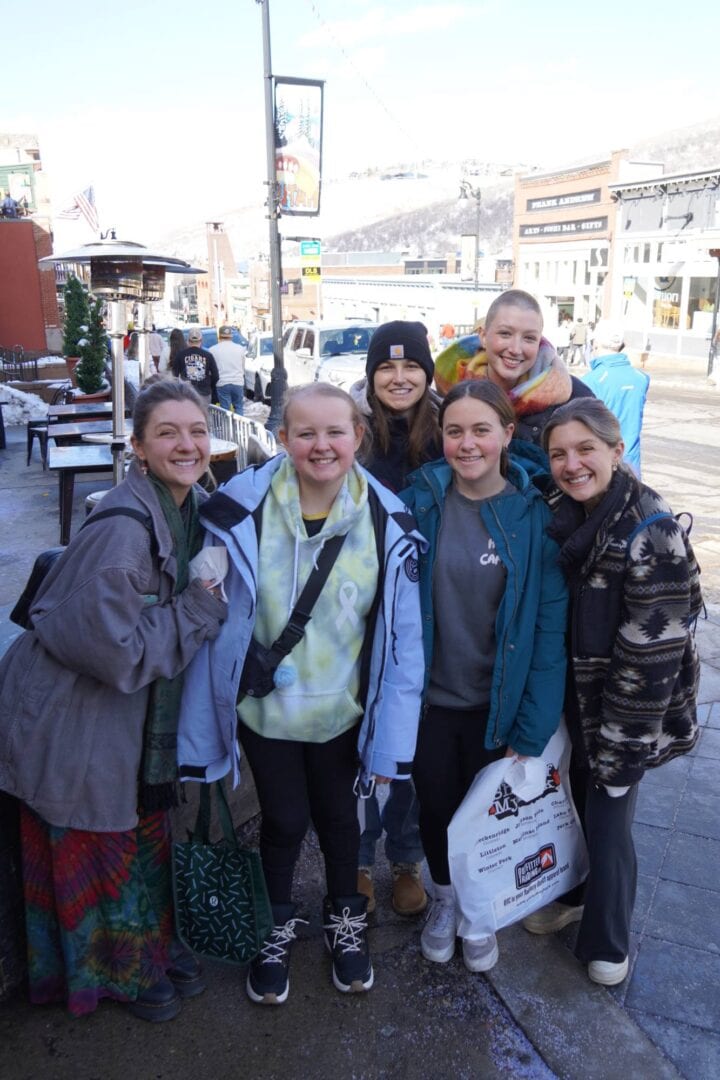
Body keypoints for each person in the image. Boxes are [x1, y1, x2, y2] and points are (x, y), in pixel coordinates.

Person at [177, 383, 425, 1005]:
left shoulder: (386, 521)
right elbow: (215, 616)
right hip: (267, 710)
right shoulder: (242, 510)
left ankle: (346, 923)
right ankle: (275, 922)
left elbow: (402, 644)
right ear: (281, 438)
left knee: (343, 820)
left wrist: (393, 743)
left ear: (357, 438)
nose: (322, 445)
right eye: (305, 432)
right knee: (285, 820)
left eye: (335, 432)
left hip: (346, 709)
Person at [0, 380, 228, 1020]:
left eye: (197, 431)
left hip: (118, 716)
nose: (186, 445)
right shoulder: (123, 534)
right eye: (167, 433)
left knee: (139, 833)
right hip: (70, 710)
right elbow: (117, 652)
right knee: (99, 839)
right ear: (138, 445)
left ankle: (150, 945)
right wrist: (198, 609)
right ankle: (114, 971)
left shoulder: (185, 503)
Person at [523, 399, 702, 987]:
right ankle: (573, 893)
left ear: (616, 451)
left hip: (629, 708)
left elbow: (652, 658)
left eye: (585, 450)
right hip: (574, 692)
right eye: (559, 454)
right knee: (572, 801)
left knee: (608, 813)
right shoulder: (561, 507)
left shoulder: (653, 530)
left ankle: (608, 939)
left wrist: (621, 750)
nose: (572, 464)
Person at [401, 379, 568, 973]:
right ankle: (445, 902)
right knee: (438, 811)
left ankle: (480, 911)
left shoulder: (531, 518)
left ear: (505, 434)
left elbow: (549, 635)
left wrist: (532, 729)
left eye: (480, 430)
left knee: (490, 819)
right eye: (454, 431)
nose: (466, 443)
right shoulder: (418, 501)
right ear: (440, 437)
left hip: (495, 707)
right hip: (428, 705)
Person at [350, 320, 442, 917]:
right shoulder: (354, 434)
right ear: (372, 374)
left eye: (412, 368)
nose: (400, 377)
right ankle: (355, 856)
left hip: (430, 611)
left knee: (412, 737)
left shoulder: (447, 430)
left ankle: (406, 859)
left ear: (428, 374)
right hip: (358, 610)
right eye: (388, 367)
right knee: (356, 737)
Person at [434, 289, 594, 455]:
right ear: (483, 336)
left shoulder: (575, 398)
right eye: (505, 334)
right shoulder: (449, 390)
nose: (516, 349)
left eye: (529, 338)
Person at [581, 320, 650, 476]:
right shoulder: (641, 378)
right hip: (632, 463)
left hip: (603, 465)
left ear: (596, 342)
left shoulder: (591, 381)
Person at [171, 328, 218, 406]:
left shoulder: (181, 355)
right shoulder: (208, 356)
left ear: (188, 341)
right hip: (204, 393)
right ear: (201, 341)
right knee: (204, 416)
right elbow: (216, 376)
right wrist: (208, 385)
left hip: (187, 393)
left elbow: (174, 375)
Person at [210, 324, 247, 413]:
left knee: (225, 410)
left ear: (219, 336)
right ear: (231, 336)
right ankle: (239, 426)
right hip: (238, 381)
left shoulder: (212, 350)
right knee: (239, 407)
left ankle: (227, 426)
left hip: (222, 382)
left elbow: (212, 370)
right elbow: (243, 367)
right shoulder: (240, 349)